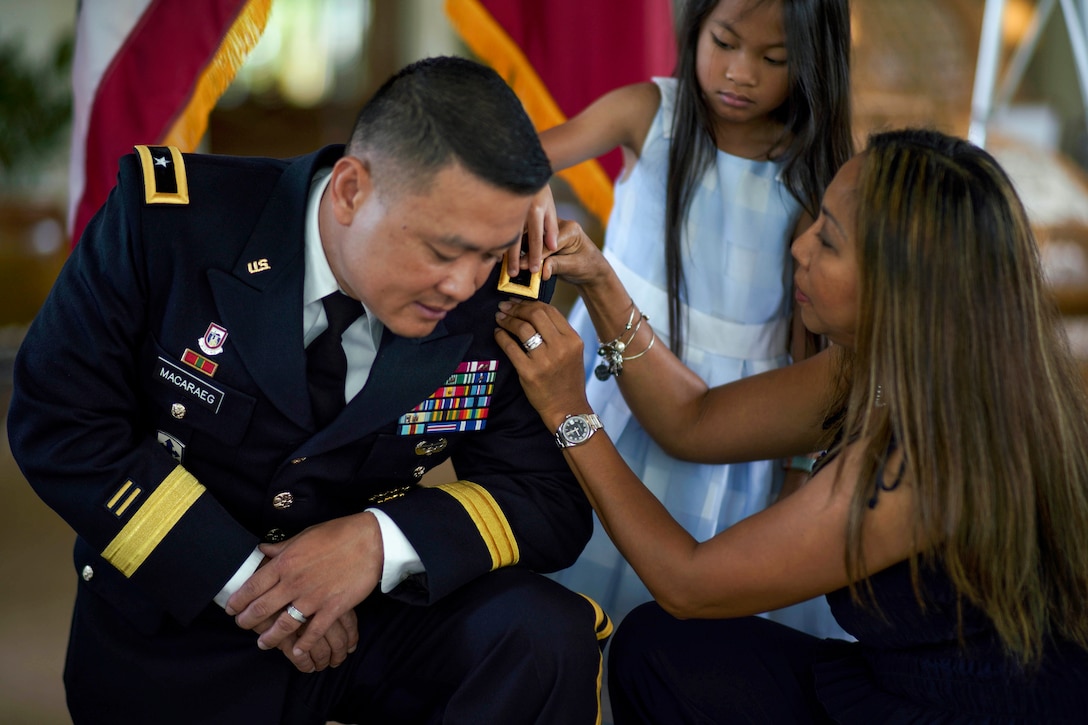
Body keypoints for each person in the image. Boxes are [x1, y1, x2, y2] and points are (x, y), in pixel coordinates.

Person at [7, 56, 611, 724]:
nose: (465, 284)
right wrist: (249, 580)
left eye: (489, 253)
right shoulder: (169, 226)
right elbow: (60, 419)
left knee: (541, 635)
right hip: (186, 611)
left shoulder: (496, 300)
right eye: (444, 251)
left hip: (372, 609)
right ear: (351, 190)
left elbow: (547, 500)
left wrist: (380, 542)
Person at [494, 128, 1088, 722]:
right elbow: (694, 419)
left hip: (968, 709)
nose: (799, 247)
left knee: (667, 639)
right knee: (658, 651)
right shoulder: (891, 366)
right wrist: (599, 280)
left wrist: (568, 411)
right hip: (903, 675)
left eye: (828, 241)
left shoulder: (931, 456)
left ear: (901, 286)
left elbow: (687, 582)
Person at [518, 0, 854, 634]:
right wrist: (533, 183)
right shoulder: (650, 110)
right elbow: (524, 158)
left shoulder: (813, 171)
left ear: (812, 64)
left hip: (736, 422)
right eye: (724, 42)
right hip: (607, 392)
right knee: (578, 560)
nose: (740, 73)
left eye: (773, 59)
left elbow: (803, 341)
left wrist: (795, 469)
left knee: (684, 600)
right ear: (693, 27)